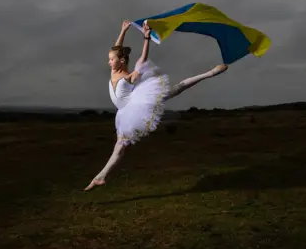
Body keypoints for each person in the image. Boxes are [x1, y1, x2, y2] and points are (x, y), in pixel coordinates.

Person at [84, 20, 228, 191]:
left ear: (121, 61)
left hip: (137, 104)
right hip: (124, 112)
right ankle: (101, 177)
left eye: (111, 59)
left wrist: (146, 39)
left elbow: (142, 59)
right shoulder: (114, 70)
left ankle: (210, 73)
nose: (108, 62)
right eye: (109, 59)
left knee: (176, 89)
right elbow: (116, 48)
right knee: (119, 147)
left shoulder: (129, 76)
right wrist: (123, 31)